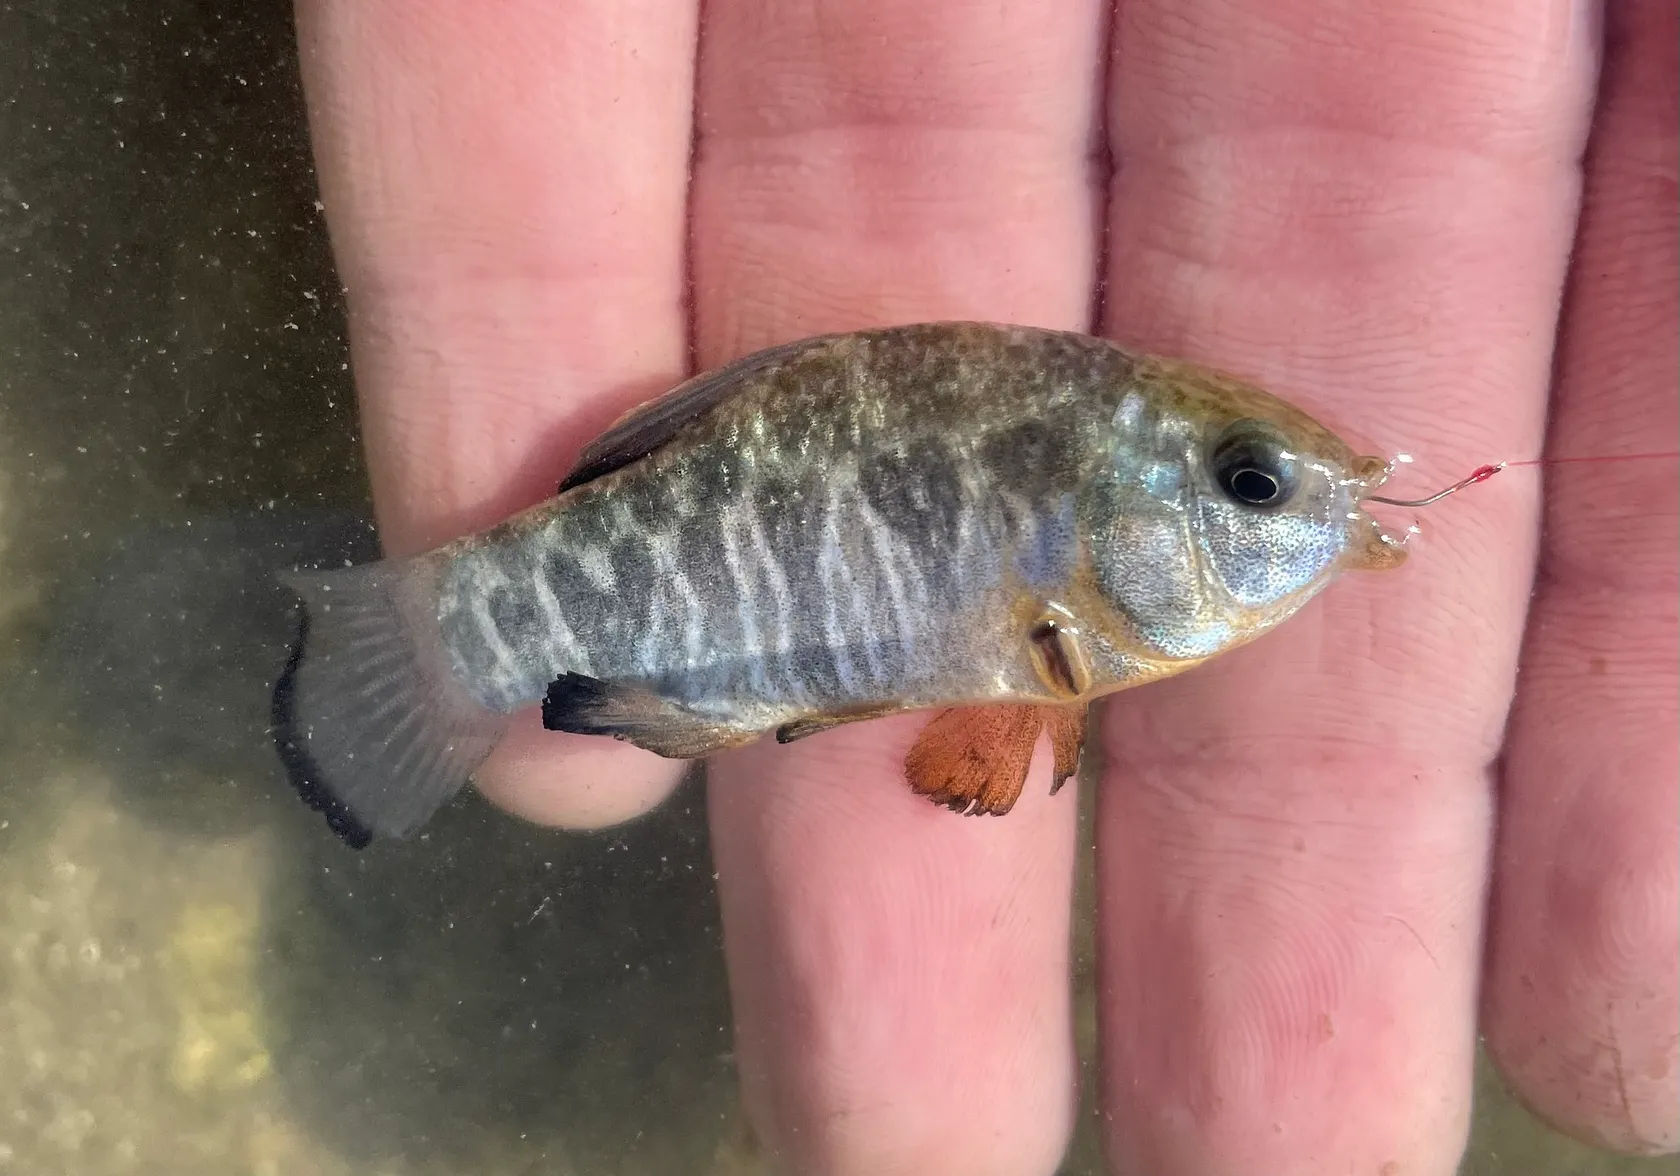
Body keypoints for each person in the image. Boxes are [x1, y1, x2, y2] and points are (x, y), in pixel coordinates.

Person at [291, 1, 1677, 1171]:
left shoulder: (1068, 614)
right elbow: (997, 696)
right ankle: (436, 639)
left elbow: (993, 709)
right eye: (1249, 484)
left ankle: (447, 636)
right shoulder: (1065, 601)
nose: (1298, 515)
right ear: (1118, 508)